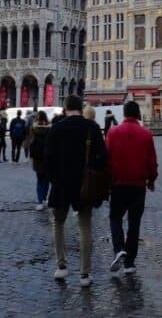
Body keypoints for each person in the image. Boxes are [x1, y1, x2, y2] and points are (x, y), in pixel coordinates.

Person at [45, 95, 107, 288]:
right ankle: (84, 273)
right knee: (85, 225)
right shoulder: (92, 127)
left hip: (61, 184)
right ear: (81, 108)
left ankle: (61, 266)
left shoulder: (56, 128)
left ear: (65, 109)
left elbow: (48, 160)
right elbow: (103, 158)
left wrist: (55, 179)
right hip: (84, 185)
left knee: (58, 223)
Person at [106, 100, 158, 275]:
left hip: (118, 184)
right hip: (138, 186)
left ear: (124, 114)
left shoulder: (113, 132)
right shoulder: (146, 134)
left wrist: (107, 181)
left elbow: (107, 158)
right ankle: (129, 262)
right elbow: (152, 160)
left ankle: (119, 247)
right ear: (138, 115)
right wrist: (151, 179)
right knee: (134, 223)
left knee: (115, 217)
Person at [29, 110, 51, 210]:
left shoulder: (34, 129)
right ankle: (45, 199)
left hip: (37, 158)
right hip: (47, 157)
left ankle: (40, 201)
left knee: (39, 180)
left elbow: (31, 141)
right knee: (46, 180)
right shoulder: (50, 129)